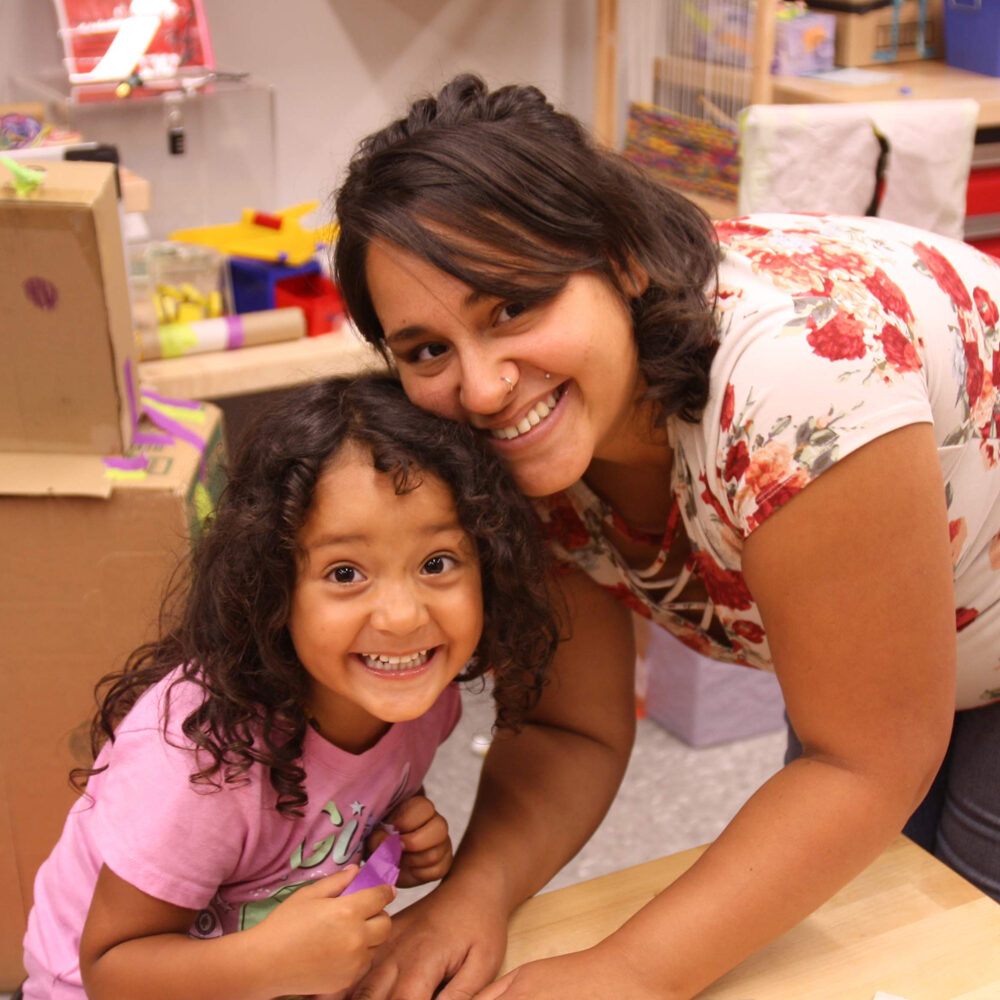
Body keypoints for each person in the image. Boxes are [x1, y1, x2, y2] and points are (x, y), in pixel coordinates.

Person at [332, 74, 1000, 1000]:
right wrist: (468, 895)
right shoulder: (503, 452)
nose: (482, 388)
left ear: (625, 259)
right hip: (934, 648)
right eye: (426, 349)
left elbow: (866, 758)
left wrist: (627, 974)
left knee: (961, 931)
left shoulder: (797, 386)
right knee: (868, 895)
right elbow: (571, 725)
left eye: (513, 306)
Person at [21, 375, 557, 1000]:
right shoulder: (199, 765)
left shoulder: (421, 698)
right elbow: (110, 970)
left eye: (436, 563)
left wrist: (390, 837)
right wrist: (264, 965)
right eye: (346, 572)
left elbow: (326, 808)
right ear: (273, 588)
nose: (404, 617)